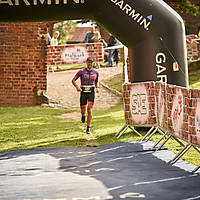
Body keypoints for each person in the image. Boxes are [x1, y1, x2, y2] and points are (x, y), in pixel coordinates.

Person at [72, 57, 99, 135]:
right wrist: (77, 87)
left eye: (91, 62)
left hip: (91, 92)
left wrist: (97, 88)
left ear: (93, 63)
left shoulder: (96, 73)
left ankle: (88, 128)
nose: (90, 64)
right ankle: (83, 115)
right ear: (86, 62)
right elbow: (73, 80)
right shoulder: (81, 71)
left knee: (89, 109)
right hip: (83, 92)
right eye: (88, 62)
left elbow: (96, 82)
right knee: (83, 109)